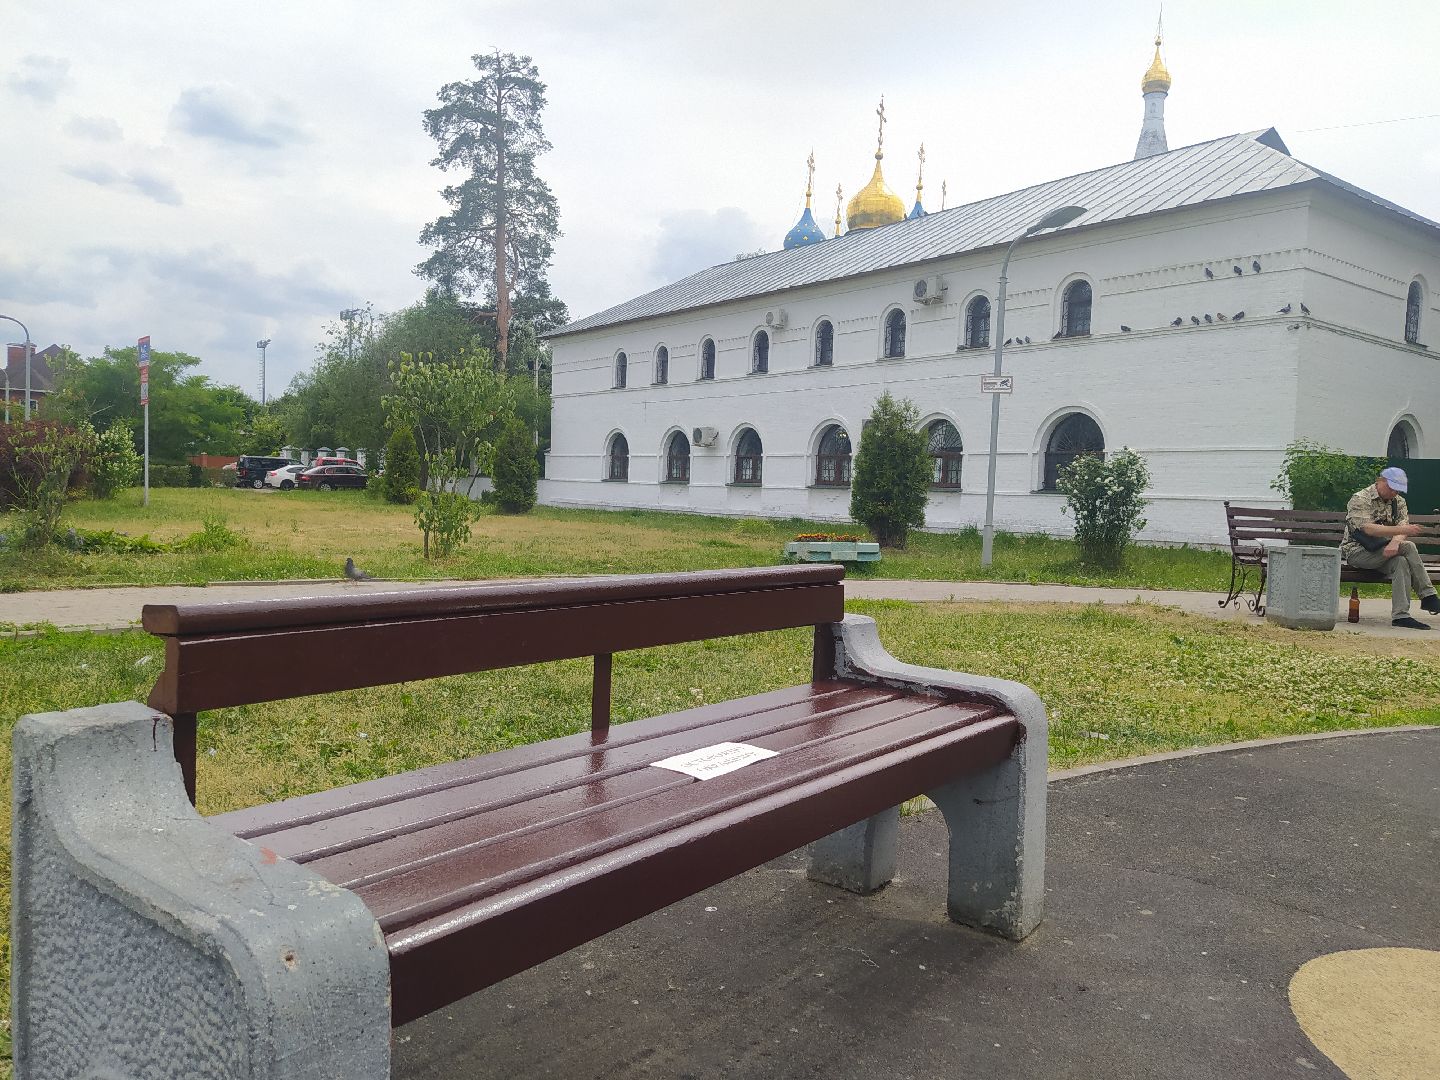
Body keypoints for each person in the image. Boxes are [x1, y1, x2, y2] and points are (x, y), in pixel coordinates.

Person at [1342, 466, 1440, 629]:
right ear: (1381, 481)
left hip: (1386, 551)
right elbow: (1368, 529)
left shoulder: (1398, 501)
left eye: (1398, 490)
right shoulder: (1360, 498)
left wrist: (1395, 542)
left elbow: (1403, 524)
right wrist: (1402, 532)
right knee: (1408, 546)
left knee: (1400, 562)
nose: (1395, 493)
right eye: (1392, 488)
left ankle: (1401, 616)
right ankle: (1428, 596)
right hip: (1357, 552)